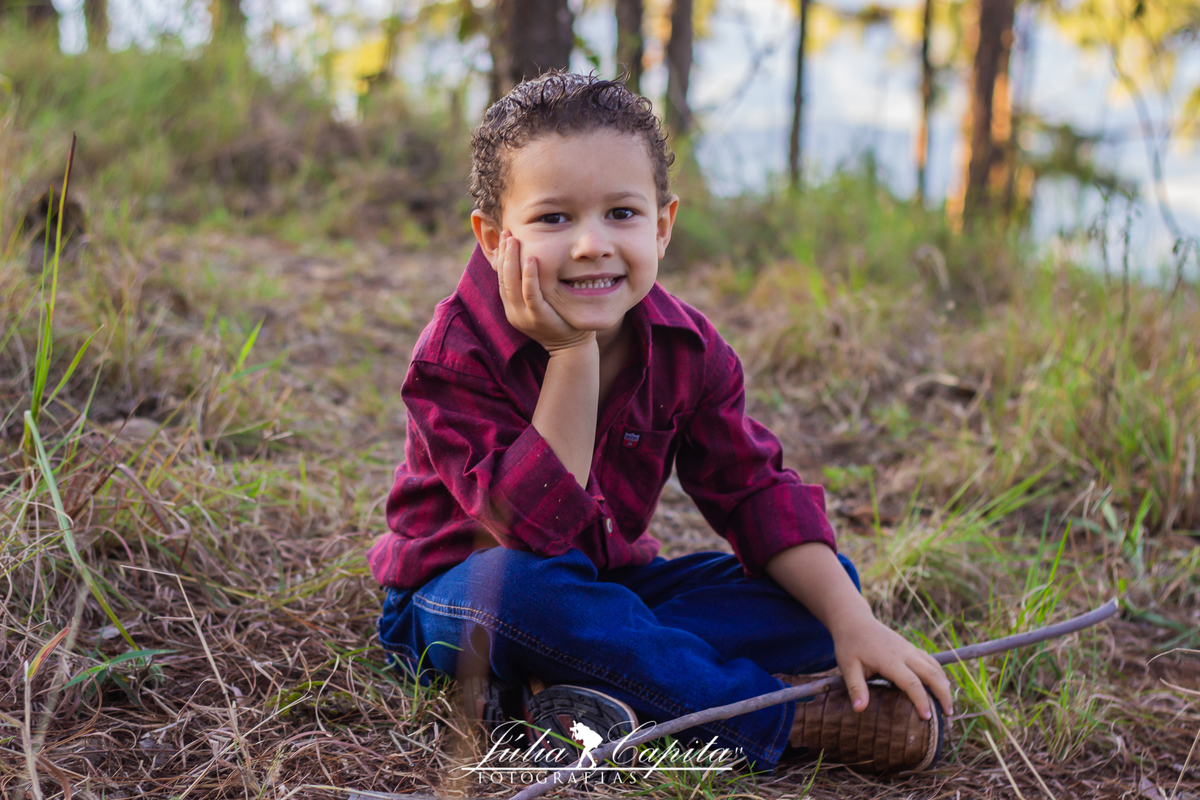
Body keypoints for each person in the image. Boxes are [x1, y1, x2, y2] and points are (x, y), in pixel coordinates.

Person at [369, 72, 954, 776]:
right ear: (495, 239)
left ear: (663, 225)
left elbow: (756, 496)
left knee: (820, 594)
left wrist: (853, 623)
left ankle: (574, 690)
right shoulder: (457, 352)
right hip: (461, 598)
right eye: (554, 219)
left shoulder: (689, 350)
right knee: (524, 595)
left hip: (611, 592)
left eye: (621, 213)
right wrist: (572, 355)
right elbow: (532, 533)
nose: (592, 244)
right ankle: (775, 715)